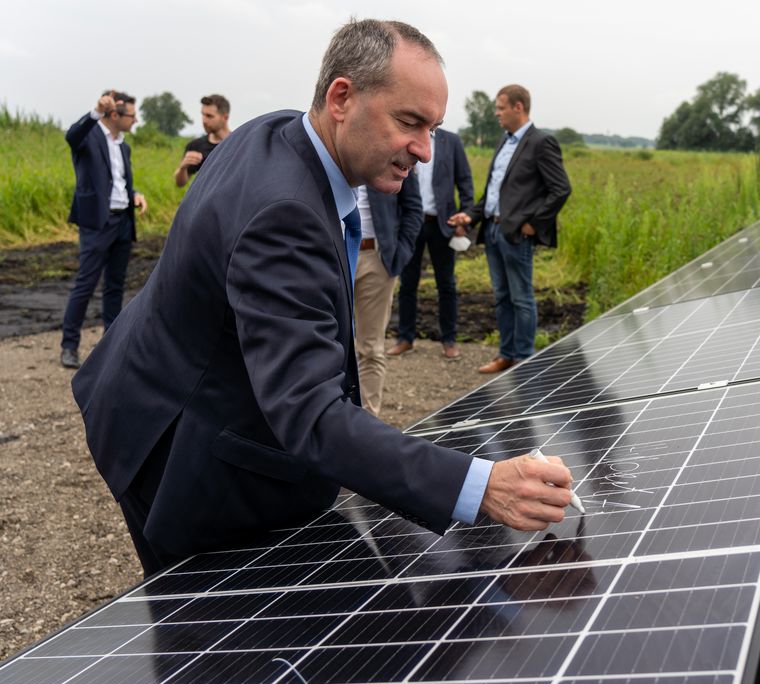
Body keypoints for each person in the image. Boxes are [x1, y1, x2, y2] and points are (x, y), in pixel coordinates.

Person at [71, 19, 574, 576]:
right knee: (218, 643)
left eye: (433, 128)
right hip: (173, 449)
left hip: (154, 391)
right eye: (409, 122)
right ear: (341, 98)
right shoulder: (284, 215)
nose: (426, 151)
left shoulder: (278, 131)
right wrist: (482, 486)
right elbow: (309, 413)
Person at [449, 85, 571, 374]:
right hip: (492, 231)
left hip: (517, 234)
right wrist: (470, 217)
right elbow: (493, 193)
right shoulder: (504, 142)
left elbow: (561, 189)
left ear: (519, 107)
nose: (496, 113)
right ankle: (505, 355)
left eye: (501, 107)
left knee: (521, 298)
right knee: (501, 297)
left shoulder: (542, 142)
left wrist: (533, 224)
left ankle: (524, 361)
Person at [60, 90, 148, 370]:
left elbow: (118, 181)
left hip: (123, 221)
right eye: (132, 115)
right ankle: (69, 347)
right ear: (114, 115)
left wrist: (134, 193)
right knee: (85, 284)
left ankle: (112, 345)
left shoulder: (124, 146)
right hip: (97, 223)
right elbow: (71, 136)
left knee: (115, 286)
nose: (136, 121)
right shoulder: (89, 137)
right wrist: (95, 111)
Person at [387, 127, 474, 360]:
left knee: (446, 284)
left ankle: (449, 339)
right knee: (407, 283)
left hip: (442, 223)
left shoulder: (451, 141)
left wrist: (465, 216)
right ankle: (405, 338)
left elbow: (464, 179)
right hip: (411, 222)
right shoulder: (406, 137)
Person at [352, 175, 423, 417]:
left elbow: (413, 208)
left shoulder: (388, 151)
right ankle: (330, 420)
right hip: (331, 253)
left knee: (370, 347)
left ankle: (367, 421)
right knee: (329, 342)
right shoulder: (331, 150)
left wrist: (399, 254)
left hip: (375, 258)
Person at [173, 94, 231, 187]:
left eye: (209, 116)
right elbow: (180, 183)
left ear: (225, 117)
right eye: (203, 115)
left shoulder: (238, 143)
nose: (204, 120)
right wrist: (183, 168)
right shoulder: (195, 146)